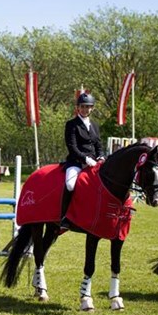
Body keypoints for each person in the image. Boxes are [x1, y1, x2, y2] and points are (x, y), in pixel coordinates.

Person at [61, 93, 104, 227]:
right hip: (76, 162)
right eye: (83, 106)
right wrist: (85, 159)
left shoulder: (95, 125)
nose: (85, 109)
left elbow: (98, 145)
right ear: (78, 108)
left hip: (94, 163)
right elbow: (72, 147)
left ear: (92, 108)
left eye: (88, 107)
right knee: (70, 184)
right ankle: (64, 217)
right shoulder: (72, 125)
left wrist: (101, 156)